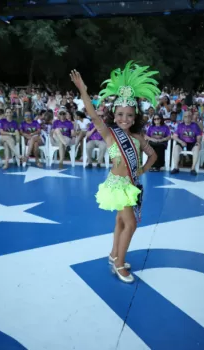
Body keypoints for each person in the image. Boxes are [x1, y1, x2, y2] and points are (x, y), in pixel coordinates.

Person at [70, 61, 159, 283]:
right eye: (120, 114)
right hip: (117, 185)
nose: (124, 119)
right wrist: (82, 90)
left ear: (135, 115)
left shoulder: (138, 137)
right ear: (114, 114)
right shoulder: (109, 134)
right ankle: (119, 265)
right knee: (131, 224)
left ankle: (113, 255)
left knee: (121, 222)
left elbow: (154, 156)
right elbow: (92, 114)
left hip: (131, 185)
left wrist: (142, 169)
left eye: (129, 115)